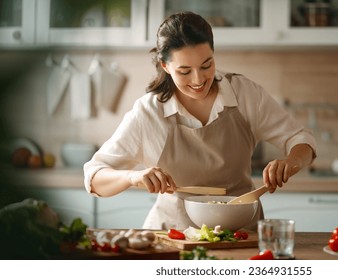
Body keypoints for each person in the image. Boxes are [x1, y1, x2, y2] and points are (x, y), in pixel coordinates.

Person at [83, 11, 317, 230]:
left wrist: (291, 161)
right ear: (165, 66)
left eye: (207, 65)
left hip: (242, 235)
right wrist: (133, 177)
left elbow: (300, 138)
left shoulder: (244, 93)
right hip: (173, 236)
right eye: (184, 71)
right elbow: (94, 177)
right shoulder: (149, 112)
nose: (198, 80)